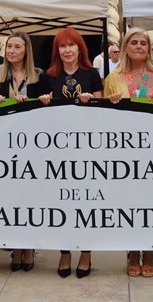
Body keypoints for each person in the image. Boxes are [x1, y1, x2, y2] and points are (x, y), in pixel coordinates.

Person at [104, 28, 153, 278]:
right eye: (134, 42)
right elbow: (105, 113)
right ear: (125, 47)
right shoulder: (114, 76)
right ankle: (132, 250)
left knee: (152, 201)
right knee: (130, 203)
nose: (139, 46)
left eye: (144, 43)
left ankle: (150, 250)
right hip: (124, 147)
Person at [38, 27, 103, 279]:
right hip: (57, 148)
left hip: (87, 149)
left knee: (86, 203)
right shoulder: (48, 76)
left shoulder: (92, 74)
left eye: (71, 45)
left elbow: (103, 110)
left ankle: (86, 252)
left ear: (79, 48)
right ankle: (65, 252)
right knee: (60, 202)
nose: (67, 50)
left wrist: (93, 101)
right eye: (62, 46)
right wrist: (43, 102)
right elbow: (40, 115)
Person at [0, 32, 47, 272]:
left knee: (30, 198)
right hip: (5, 144)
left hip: (33, 143)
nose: (12, 50)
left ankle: (29, 247)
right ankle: (15, 247)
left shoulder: (39, 76)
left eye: (17, 47)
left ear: (26, 51)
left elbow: (47, 106)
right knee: (10, 198)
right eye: (9, 46)